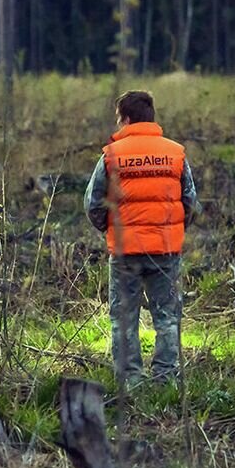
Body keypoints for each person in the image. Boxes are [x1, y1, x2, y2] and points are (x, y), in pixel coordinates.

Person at [84, 90, 200, 387]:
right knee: (167, 317)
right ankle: (166, 380)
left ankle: (130, 382)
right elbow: (191, 201)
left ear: (126, 118)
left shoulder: (111, 155)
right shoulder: (175, 153)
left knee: (124, 318)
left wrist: (108, 229)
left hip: (125, 250)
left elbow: (92, 202)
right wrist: (173, 229)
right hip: (165, 249)